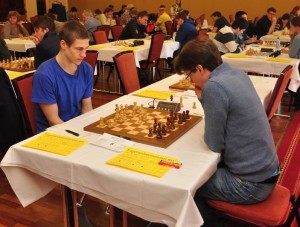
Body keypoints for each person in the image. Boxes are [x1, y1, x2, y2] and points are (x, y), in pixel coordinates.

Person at [173, 37, 279, 226]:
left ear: (199, 69)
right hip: (268, 171)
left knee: (185, 185)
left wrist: (204, 97)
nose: (190, 80)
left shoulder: (214, 87)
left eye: (189, 75)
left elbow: (214, 144)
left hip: (251, 184)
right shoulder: (236, 73)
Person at [287, 16, 300, 109]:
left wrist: (292, 37)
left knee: (288, 78)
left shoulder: (298, 37)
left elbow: (291, 54)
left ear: (297, 27)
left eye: (291, 26)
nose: (290, 28)